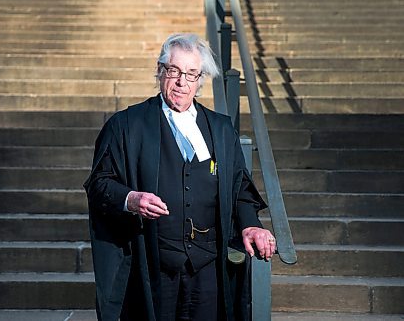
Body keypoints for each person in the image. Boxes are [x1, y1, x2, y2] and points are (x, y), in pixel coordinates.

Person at [84, 33, 276, 321]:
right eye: (173, 71)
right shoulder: (125, 126)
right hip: (152, 265)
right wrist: (131, 199)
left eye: (191, 74)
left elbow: (239, 190)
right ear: (161, 72)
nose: (181, 82)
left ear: (200, 80)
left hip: (207, 267)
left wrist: (250, 225)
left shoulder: (221, 130)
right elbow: (99, 184)